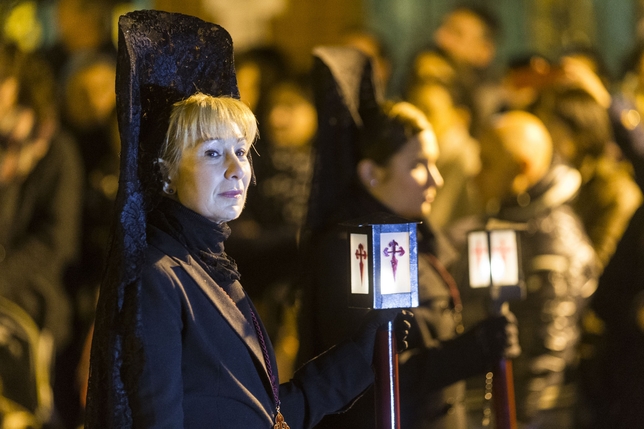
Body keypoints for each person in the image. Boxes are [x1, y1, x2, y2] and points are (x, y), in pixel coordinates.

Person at [84, 11, 410, 429]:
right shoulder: (159, 276)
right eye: (212, 153)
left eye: (241, 150)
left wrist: (367, 349)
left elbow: (270, 413)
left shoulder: (211, 265)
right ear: (165, 171)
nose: (237, 169)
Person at [298, 46, 518, 429]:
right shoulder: (352, 249)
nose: (436, 179)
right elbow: (368, 370)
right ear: (371, 173)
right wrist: (468, 353)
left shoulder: (418, 235)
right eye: (418, 165)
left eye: (433, 162)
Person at [465, 110, 600, 428]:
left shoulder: (551, 241)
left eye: (487, 162)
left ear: (521, 169)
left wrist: (520, 419)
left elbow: (548, 355)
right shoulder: (510, 221)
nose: (476, 174)